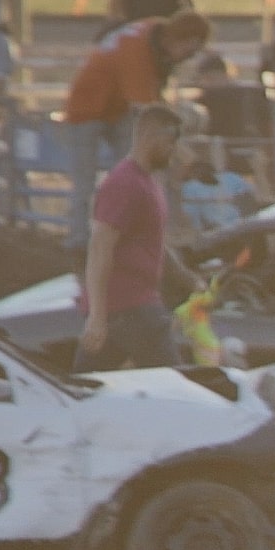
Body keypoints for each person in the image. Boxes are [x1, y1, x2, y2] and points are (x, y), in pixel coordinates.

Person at [60, 7, 209, 244]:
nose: (186, 59)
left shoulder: (156, 31)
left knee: (132, 173)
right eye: (188, 53)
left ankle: (126, 234)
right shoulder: (138, 51)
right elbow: (150, 111)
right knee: (85, 180)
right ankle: (78, 241)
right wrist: (187, 155)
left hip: (117, 107)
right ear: (181, 40)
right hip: (86, 107)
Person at [79, 102, 183, 372]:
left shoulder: (148, 182)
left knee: (86, 387)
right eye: (170, 142)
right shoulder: (123, 184)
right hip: (129, 310)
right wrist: (97, 317)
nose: (174, 150)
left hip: (132, 308)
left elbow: (152, 240)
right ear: (150, 137)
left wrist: (187, 277)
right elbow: (100, 247)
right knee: (174, 387)